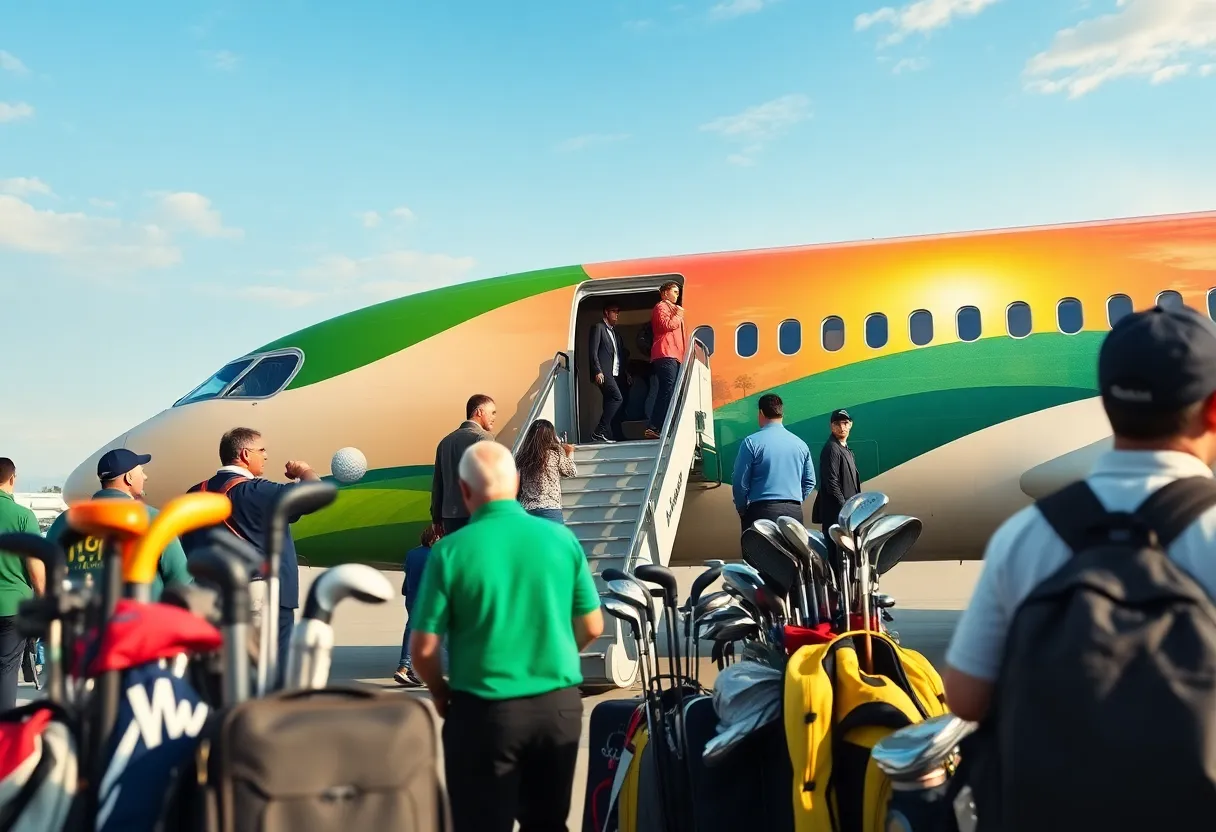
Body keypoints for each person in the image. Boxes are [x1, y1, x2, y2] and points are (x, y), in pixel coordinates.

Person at [944, 305, 1216, 722]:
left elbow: (965, 699)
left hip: (1059, 786)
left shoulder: (1025, 536)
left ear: (1106, 402)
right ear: (1212, 409)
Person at [409, 441, 604, 832]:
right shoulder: (561, 540)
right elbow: (593, 624)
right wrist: (559, 654)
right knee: (548, 823)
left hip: (484, 710)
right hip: (557, 708)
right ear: (516, 482)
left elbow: (424, 648)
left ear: (463, 491)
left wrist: (440, 692)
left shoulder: (450, 551)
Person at [182, 428, 319, 685]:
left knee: (220, 674)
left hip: (210, 595)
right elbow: (314, 494)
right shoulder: (256, 491)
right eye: (262, 451)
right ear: (245, 455)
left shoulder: (194, 493)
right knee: (269, 673)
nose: (266, 456)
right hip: (261, 593)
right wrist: (303, 471)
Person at [44, 448, 193, 600]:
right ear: (128, 478)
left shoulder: (65, 521)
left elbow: (45, 573)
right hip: (139, 620)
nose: (145, 477)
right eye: (141, 472)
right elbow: (181, 580)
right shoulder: (153, 519)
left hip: (82, 620)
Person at [732, 393, 816, 532]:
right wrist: (794, 500)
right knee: (791, 554)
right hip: (793, 513)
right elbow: (809, 482)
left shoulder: (751, 443)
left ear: (761, 413)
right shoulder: (801, 445)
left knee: (760, 554)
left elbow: (740, 482)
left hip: (761, 512)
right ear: (782, 414)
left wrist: (742, 509)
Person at [0, 458, 44, 711]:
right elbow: (35, 567)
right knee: (6, 670)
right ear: (13, 479)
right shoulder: (23, 516)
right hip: (13, 607)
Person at [430, 394, 496, 535]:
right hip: (476, 515)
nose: (494, 417)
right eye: (492, 412)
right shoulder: (483, 438)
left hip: (449, 518)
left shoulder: (444, 442)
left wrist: (436, 518)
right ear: (479, 412)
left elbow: (437, 484)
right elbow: (488, 479)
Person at [811, 409, 861, 567]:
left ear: (851, 425)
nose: (842, 427)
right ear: (831, 426)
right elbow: (831, 481)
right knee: (837, 563)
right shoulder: (832, 448)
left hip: (846, 516)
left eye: (845, 423)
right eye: (837, 424)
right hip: (837, 516)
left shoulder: (846, 450)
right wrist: (845, 507)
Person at [395, 524, 442, 687]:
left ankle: (413, 671)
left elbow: (407, 575)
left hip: (412, 597)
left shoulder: (412, 554)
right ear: (434, 538)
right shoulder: (436, 555)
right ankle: (404, 667)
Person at [645, 281, 688, 440]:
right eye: (675, 291)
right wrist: (678, 314)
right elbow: (666, 325)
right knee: (667, 389)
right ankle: (654, 426)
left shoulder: (673, 309)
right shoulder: (661, 306)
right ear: (664, 293)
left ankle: (661, 426)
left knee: (670, 391)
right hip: (665, 353)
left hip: (674, 354)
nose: (677, 295)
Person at [515, 419, 578, 524]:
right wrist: (569, 452)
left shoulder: (521, 457)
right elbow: (571, 471)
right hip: (550, 509)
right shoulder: (555, 454)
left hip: (527, 511)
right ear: (550, 436)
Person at [588, 301, 631, 443]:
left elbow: (619, 356)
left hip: (615, 373)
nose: (616, 314)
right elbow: (593, 351)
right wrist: (597, 370)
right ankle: (599, 431)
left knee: (610, 402)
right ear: (606, 312)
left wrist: (625, 373)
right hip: (604, 373)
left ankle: (611, 434)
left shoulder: (615, 334)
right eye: (614, 311)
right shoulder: (598, 328)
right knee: (617, 398)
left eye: (618, 312)